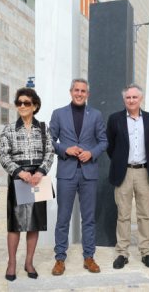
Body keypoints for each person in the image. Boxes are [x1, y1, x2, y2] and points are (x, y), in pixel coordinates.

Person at [49, 78, 108, 275]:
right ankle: (59, 259)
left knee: (89, 218)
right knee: (63, 217)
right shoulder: (58, 114)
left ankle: (89, 257)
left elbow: (103, 141)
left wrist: (91, 153)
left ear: (87, 94)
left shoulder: (96, 115)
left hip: (89, 172)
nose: (79, 93)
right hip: (66, 172)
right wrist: (66, 149)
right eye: (76, 90)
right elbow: (49, 141)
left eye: (83, 91)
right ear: (71, 91)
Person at [0, 88, 55, 281]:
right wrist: (19, 172)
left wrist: (40, 172)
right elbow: (3, 155)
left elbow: (50, 152)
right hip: (18, 178)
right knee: (15, 224)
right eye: (19, 102)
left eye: (26, 103)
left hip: (38, 178)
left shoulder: (44, 128)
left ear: (35, 106)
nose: (22, 106)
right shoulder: (9, 129)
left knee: (34, 224)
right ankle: (11, 263)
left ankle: (29, 262)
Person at [106, 84, 149, 270]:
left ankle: (146, 252)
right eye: (128, 98)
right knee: (123, 215)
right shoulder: (114, 119)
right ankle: (122, 253)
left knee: (145, 214)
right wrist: (121, 162)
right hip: (124, 172)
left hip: (144, 171)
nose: (131, 100)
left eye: (134, 97)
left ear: (140, 99)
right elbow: (111, 147)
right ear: (124, 100)